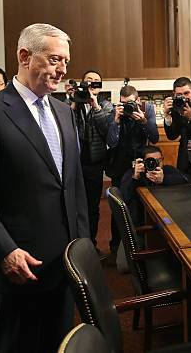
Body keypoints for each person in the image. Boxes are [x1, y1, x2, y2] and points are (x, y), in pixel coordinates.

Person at [0, 23, 89, 353]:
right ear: (25, 56)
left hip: (63, 268)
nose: (62, 70)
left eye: (66, 62)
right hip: (18, 270)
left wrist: (82, 247)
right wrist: (4, 252)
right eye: (55, 60)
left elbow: (72, 187)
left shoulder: (63, 111)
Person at [106, 84, 158, 256]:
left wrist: (143, 121)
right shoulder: (115, 113)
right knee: (119, 205)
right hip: (120, 165)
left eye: (130, 103)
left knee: (142, 202)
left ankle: (143, 244)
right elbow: (111, 142)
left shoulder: (147, 109)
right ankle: (116, 247)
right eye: (123, 103)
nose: (127, 107)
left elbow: (155, 138)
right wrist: (116, 121)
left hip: (141, 161)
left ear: (138, 101)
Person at [70, 70, 114, 250]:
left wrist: (95, 106)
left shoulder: (105, 105)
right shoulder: (72, 103)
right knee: (73, 205)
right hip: (73, 163)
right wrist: (74, 103)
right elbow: (64, 125)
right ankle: (74, 246)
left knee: (92, 206)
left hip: (94, 163)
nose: (92, 85)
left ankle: (92, 244)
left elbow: (107, 131)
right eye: (88, 81)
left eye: (96, 82)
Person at [119, 145, 187, 228]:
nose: (156, 164)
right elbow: (123, 197)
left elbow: (185, 182)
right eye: (151, 161)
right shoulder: (133, 174)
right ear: (142, 162)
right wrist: (135, 178)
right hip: (144, 220)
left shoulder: (168, 170)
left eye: (159, 160)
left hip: (168, 217)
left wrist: (164, 179)